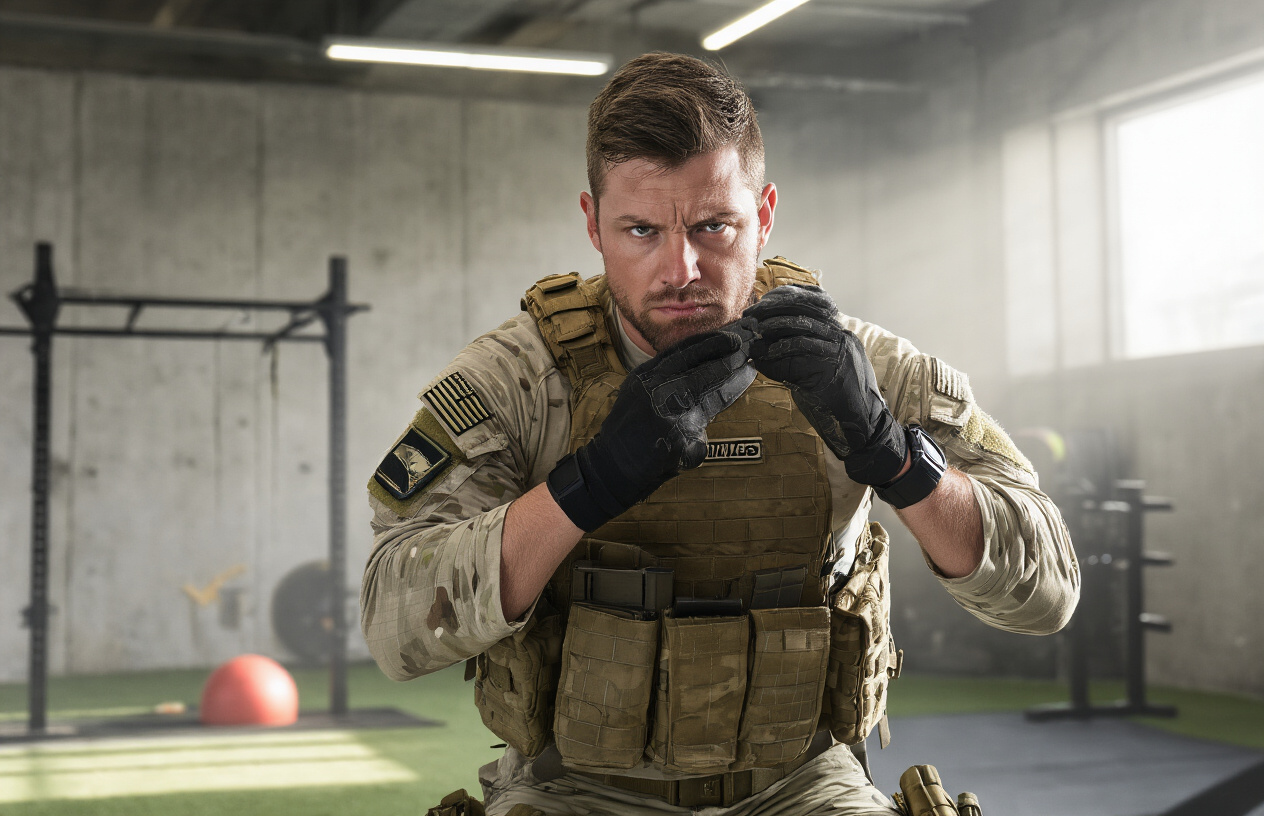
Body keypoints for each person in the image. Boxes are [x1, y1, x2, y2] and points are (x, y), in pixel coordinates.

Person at [361, 52, 1079, 816]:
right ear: (592, 224)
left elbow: (1049, 593)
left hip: (803, 785)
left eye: (715, 227)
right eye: (641, 230)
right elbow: (392, 622)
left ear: (764, 214)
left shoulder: (860, 368)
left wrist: (895, 457)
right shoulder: (519, 380)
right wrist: (585, 486)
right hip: (575, 789)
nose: (682, 268)